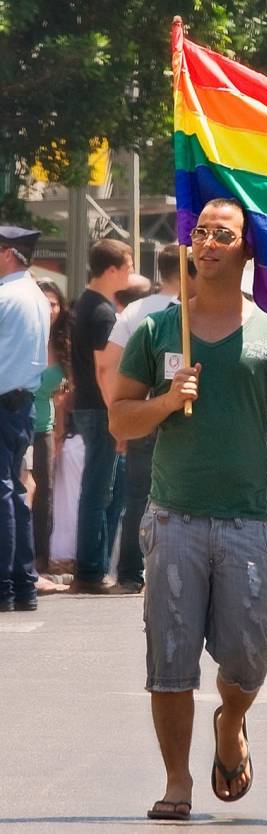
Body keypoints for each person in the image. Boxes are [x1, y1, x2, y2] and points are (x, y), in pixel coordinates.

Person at [108, 197, 267, 822]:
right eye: (200, 232)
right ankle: (177, 779)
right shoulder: (158, 330)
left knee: (247, 657)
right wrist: (163, 401)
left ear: (245, 250)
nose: (207, 243)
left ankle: (231, 721)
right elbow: (118, 415)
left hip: (246, 520)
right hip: (173, 516)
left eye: (222, 234)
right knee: (170, 660)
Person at [96, 245, 196, 594]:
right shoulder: (192, 311)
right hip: (183, 419)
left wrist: (119, 410)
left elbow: (107, 363)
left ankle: (130, 573)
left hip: (143, 413)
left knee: (137, 496)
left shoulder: (137, 310)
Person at [70, 238, 132, 593]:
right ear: (112, 270)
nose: (132, 272)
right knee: (99, 490)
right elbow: (104, 370)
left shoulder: (89, 305)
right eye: (128, 265)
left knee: (103, 488)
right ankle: (92, 569)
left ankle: (96, 565)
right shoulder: (101, 312)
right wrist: (117, 416)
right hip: (101, 408)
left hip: (92, 406)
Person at [0, 226, 51, 612]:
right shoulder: (32, 293)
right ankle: (21, 584)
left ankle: (6, 584)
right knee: (14, 492)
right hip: (21, 404)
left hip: (5, 402)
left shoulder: (6, 295)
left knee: (6, 493)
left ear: (7, 254)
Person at [32, 280, 72, 588]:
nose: (50, 309)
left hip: (43, 428)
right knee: (21, 493)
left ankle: (40, 562)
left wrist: (60, 433)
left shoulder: (63, 345)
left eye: (54, 303)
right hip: (14, 423)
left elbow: (63, 396)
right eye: (44, 302)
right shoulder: (21, 335)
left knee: (43, 495)